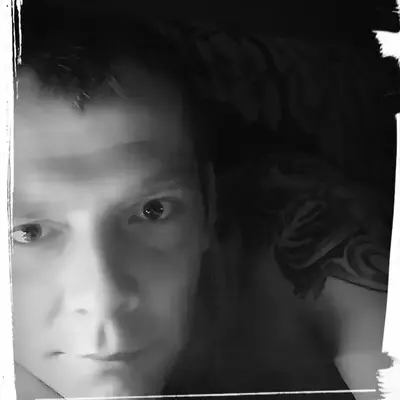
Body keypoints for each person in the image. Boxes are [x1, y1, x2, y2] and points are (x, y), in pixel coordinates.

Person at [12, 6, 390, 400]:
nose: (104, 298)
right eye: (28, 232)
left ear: (208, 203)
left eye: (153, 211)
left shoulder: (306, 246)